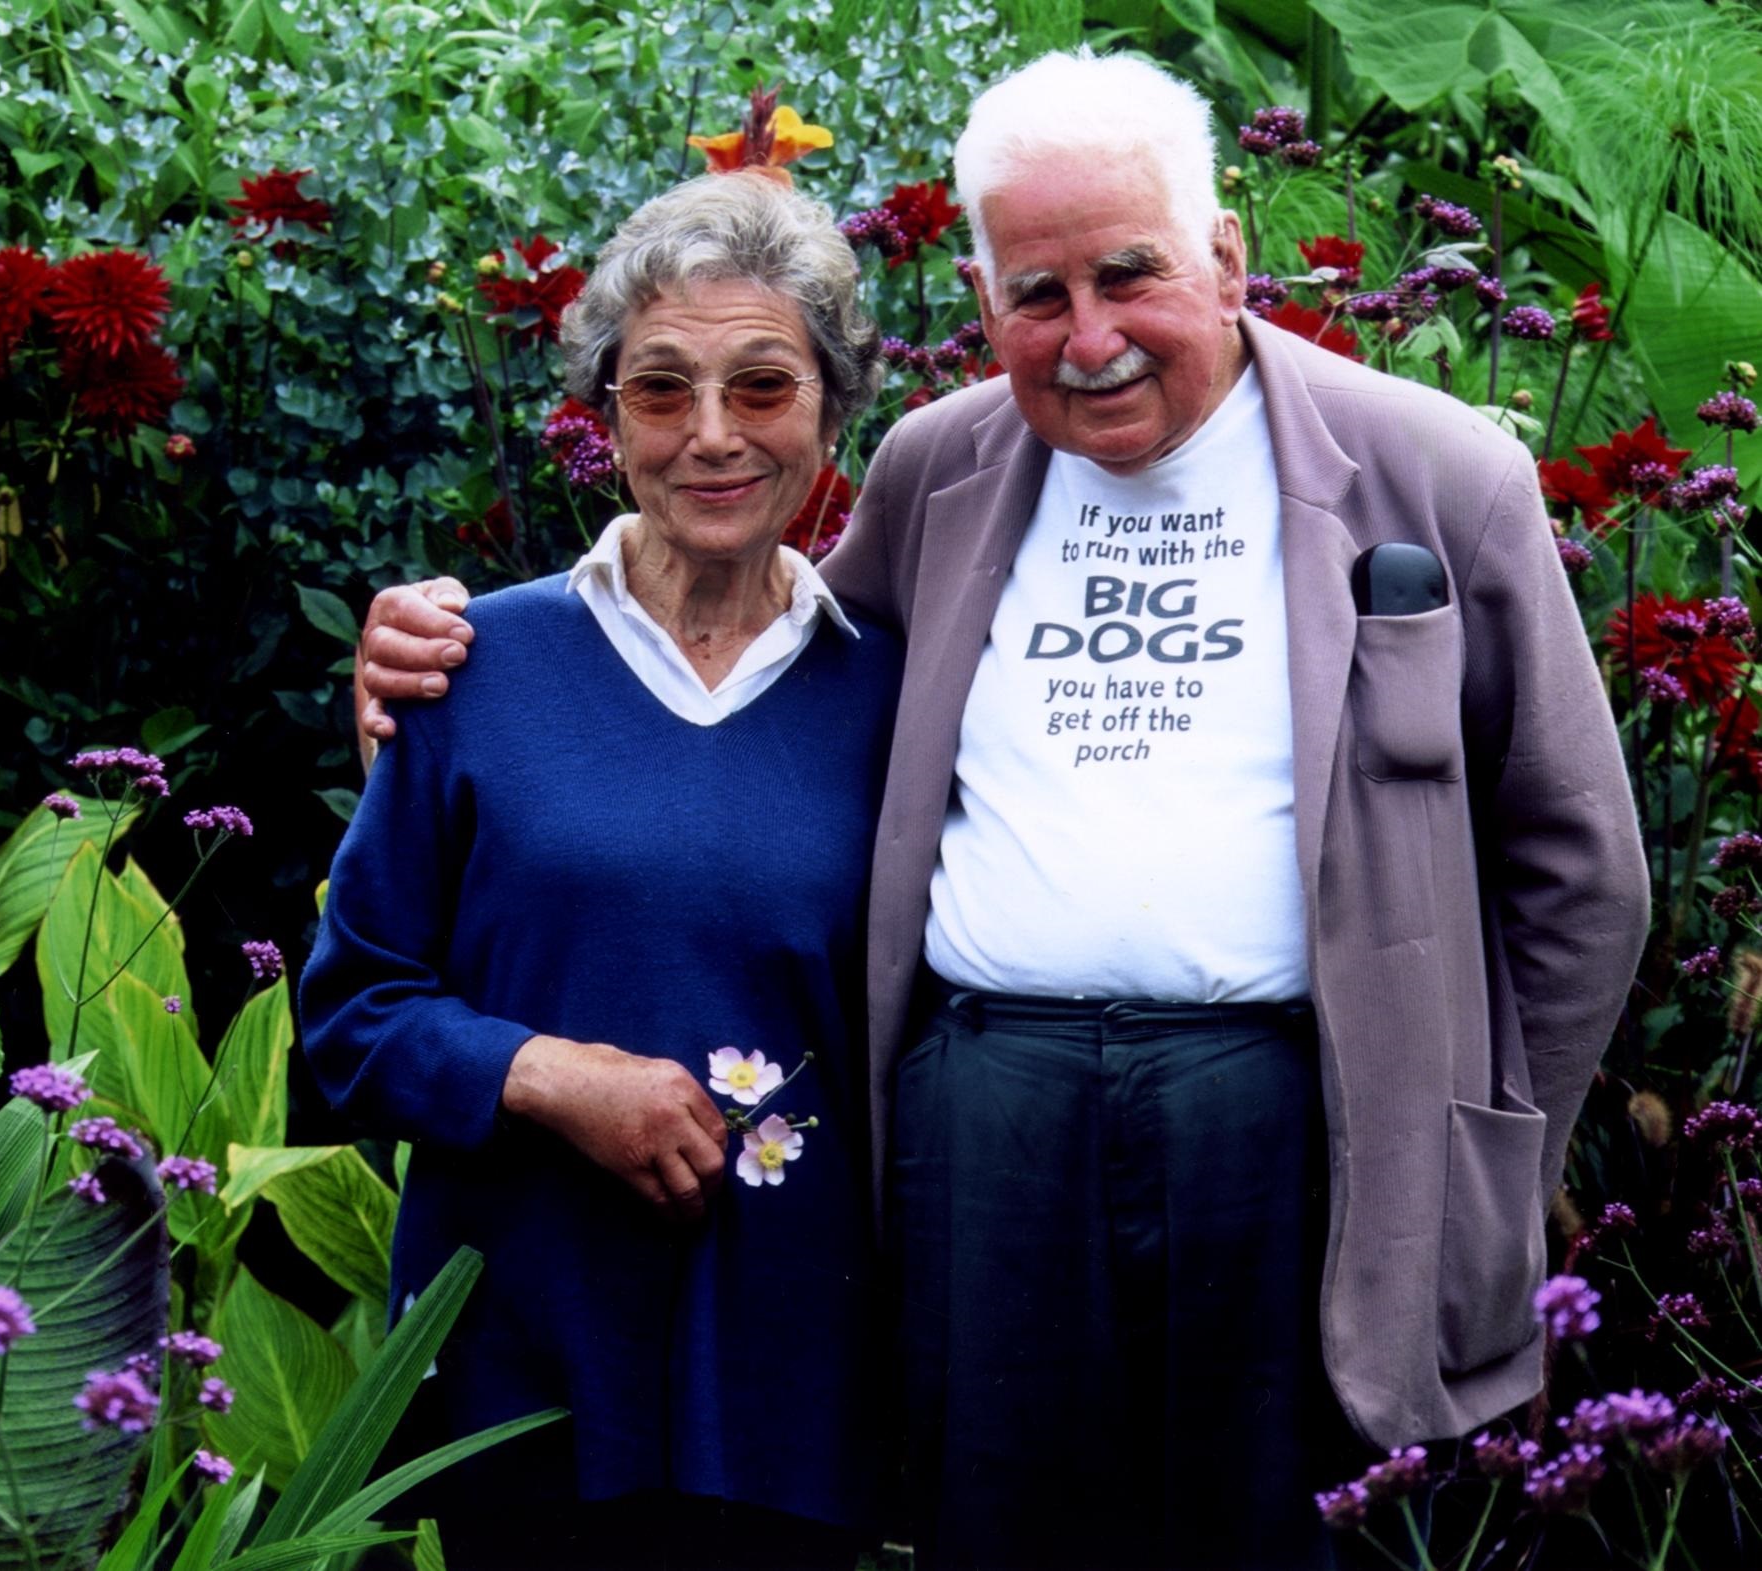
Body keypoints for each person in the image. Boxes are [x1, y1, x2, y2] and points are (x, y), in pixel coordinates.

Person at [354, 49, 1647, 1571]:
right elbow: (748, 676)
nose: (1090, 338)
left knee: (1279, 1538)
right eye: (1038, 294)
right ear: (981, 301)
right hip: (987, 1119)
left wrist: (1479, 1162)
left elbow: (1580, 875)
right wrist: (445, 658)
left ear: (1226, 254)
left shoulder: (1438, 475)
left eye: (1129, 275)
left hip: (1285, 1113)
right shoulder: (944, 465)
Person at [300, 168, 899, 1571]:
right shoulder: (473, 669)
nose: (712, 435)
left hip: (794, 1380)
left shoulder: (899, 699)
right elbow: (349, 1016)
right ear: (607, 414)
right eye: (661, 390)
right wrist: (551, 1076)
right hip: (527, 1364)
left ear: (831, 412)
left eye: (762, 387)